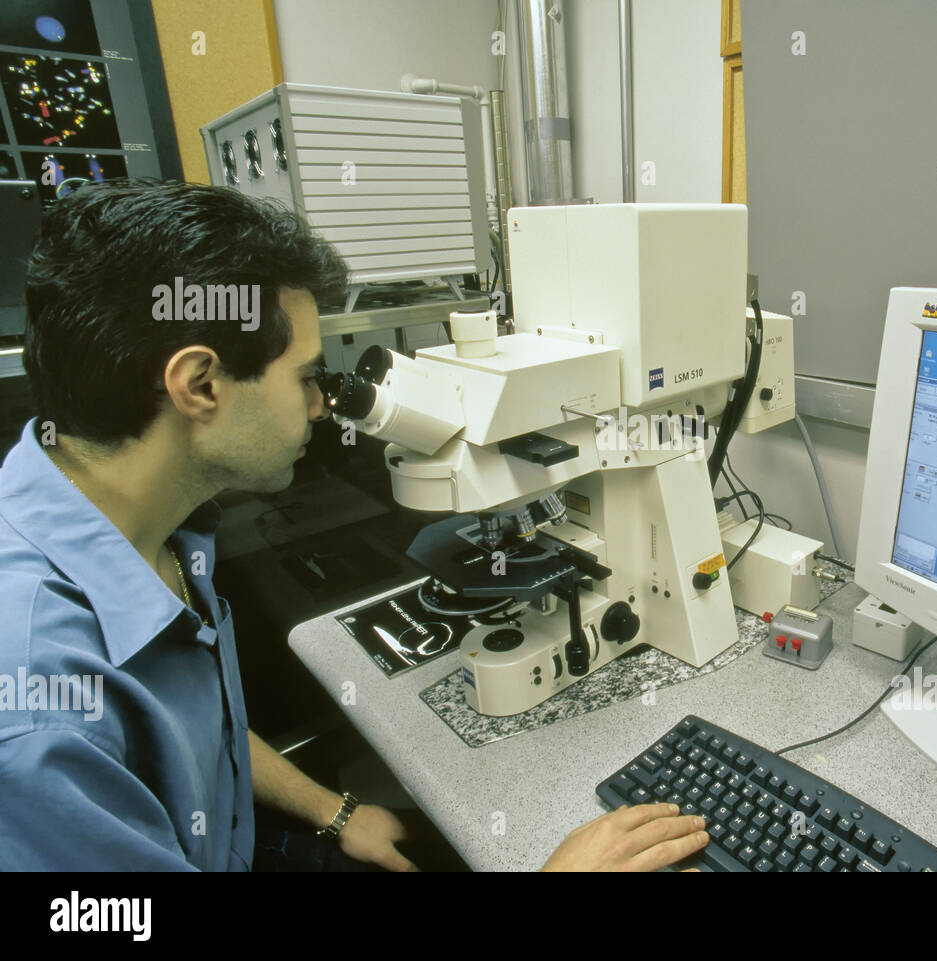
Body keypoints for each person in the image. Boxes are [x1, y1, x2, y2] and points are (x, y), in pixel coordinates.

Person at [0, 180, 709, 872]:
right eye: (307, 376)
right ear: (201, 385)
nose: (319, 407)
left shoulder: (150, 529)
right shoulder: (41, 721)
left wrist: (333, 810)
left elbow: (195, 733)